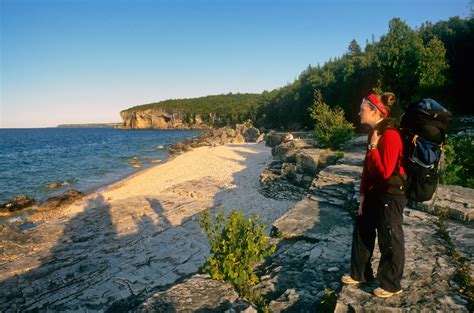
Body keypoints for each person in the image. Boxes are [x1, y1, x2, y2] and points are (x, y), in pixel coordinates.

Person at [341, 92, 407, 298]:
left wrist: (372, 148)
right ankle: (360, 273)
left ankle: (391, 284)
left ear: (375, 111)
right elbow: (367, 170)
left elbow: (385, 173)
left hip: (390, 193)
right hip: (373, 192)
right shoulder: (375, 134)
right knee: (362, 229)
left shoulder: (390, 135)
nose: (358, 112)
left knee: (389, 237)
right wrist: (362, 196)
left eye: (363, 108)